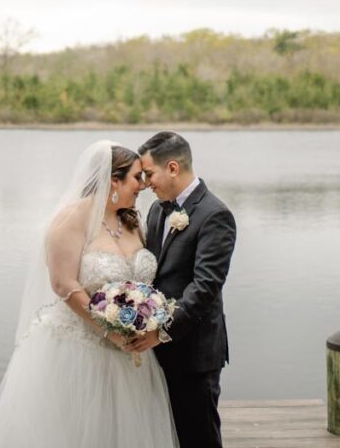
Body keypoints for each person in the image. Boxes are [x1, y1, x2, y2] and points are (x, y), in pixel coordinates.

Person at [0, 140, 179, 448]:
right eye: (137, 177)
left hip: (131, 356)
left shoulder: (133, 220)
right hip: (79, 350)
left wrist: (143, 319)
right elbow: (63, 284)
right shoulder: (71, 219)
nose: (143, 185)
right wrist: (108, 329)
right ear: (114, 180)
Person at [128, 131, 237, 448]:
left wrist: (160, 330)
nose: (146, 182)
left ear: (173, 168)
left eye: (149, 173)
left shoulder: (215, 215)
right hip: (156, 353)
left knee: (198, 438)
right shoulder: (157, 209)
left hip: (193, 353)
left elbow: (204, 288)